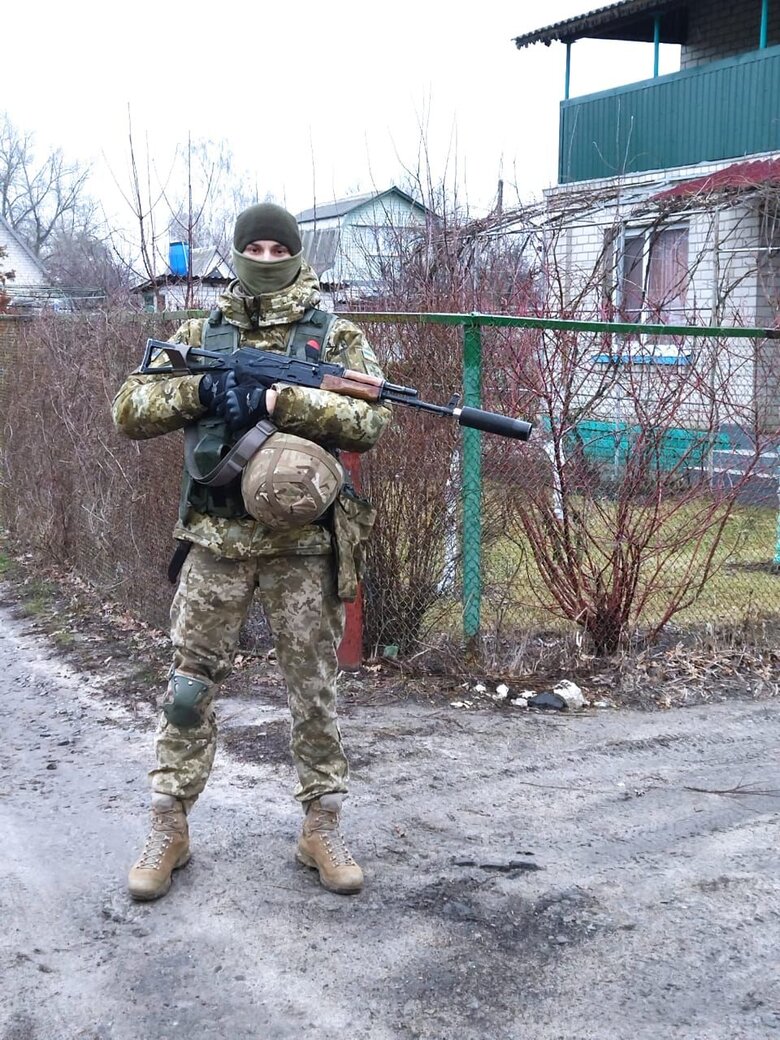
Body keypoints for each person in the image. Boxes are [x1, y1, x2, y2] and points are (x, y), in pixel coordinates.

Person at [112, 202, 391, 901]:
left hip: (303, 544)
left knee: (313, 689)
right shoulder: (198, 332)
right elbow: (129, 408)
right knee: (188, 687)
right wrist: (205, 387)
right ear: (238, 253)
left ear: (295, 254)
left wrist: (278, 403)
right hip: (215, 538)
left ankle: (320, 824)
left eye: (278, 246)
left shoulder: (334, 334)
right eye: (254, 246)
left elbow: (371, 419)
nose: (266, 257)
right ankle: (169, 824)